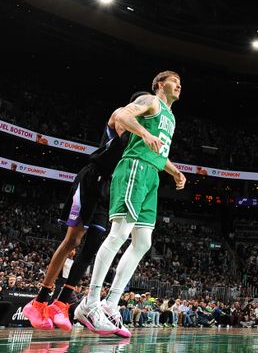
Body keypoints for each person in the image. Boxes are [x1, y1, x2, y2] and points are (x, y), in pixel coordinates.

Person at [22, 91, 148, 332]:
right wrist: (145, 132)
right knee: (72, 240)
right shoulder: (122, 115)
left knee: (93, 247)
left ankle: (62, 303)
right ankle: (39, 301)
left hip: (109, 188)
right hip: (91, 178)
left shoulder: (143, 132)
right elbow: (125, 124)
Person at [75, 71, 186, 336]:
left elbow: (158, 149)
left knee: (143, 242)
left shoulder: (170, 116)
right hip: (134, 169)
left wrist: (174, 171)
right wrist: (143, 134)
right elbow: (122, 116)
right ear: (160, 84)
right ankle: (89, 303)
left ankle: (111, 304)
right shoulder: (151, 101)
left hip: (152, 176)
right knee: (119, 234)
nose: (179, 85)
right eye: (174, 80)